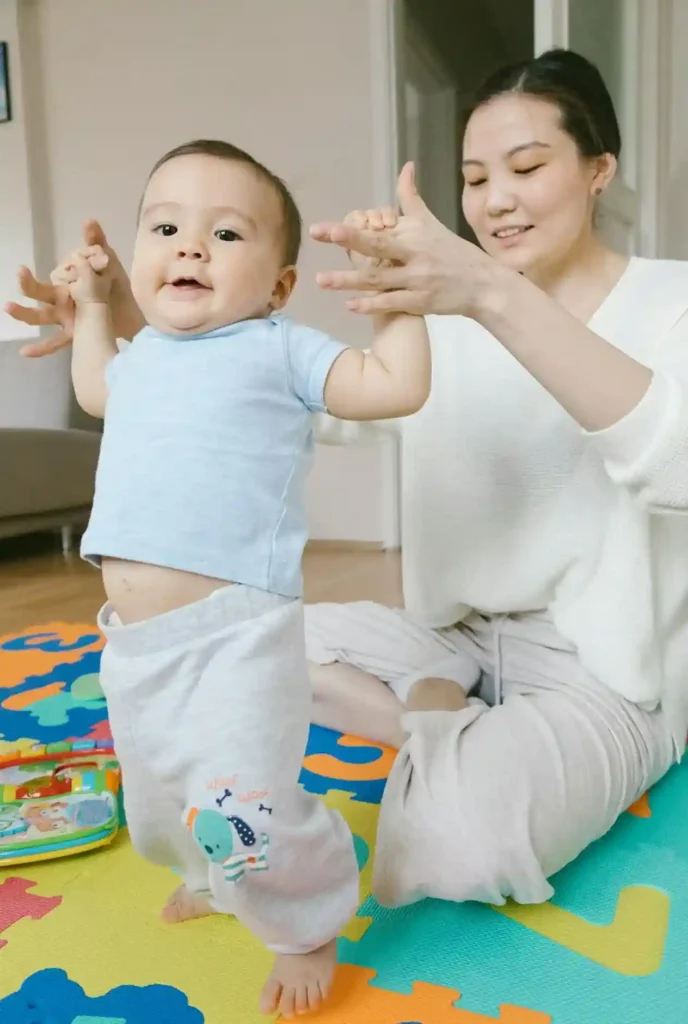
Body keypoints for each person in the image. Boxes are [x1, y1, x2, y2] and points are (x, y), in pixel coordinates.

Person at [7, 47, 688, 919]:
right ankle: (442, 713)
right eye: (475, 177)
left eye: (527, 168)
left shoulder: (665, 303)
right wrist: (147, 322)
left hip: (601, 669)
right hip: (457, 638)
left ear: (600, 169)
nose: (496, 199)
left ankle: (448, 740)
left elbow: (674, 469)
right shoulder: (445, 319)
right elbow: (283, 402)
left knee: (453, 849)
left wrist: (490, 294)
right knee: (222, 652)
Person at [39, 138, 430, 1019]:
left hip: (235, 632)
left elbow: (394, 386)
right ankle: (217, 878)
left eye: (223, 234)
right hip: (135, 642)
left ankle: (310, 917)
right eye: (167, 227)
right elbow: (96, 388)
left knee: (240, 798)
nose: (189, 248)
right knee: (158, 801)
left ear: (280, 284)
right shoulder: (139, 365)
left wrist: (390, 296)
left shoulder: (277, 346)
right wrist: (94, 304)